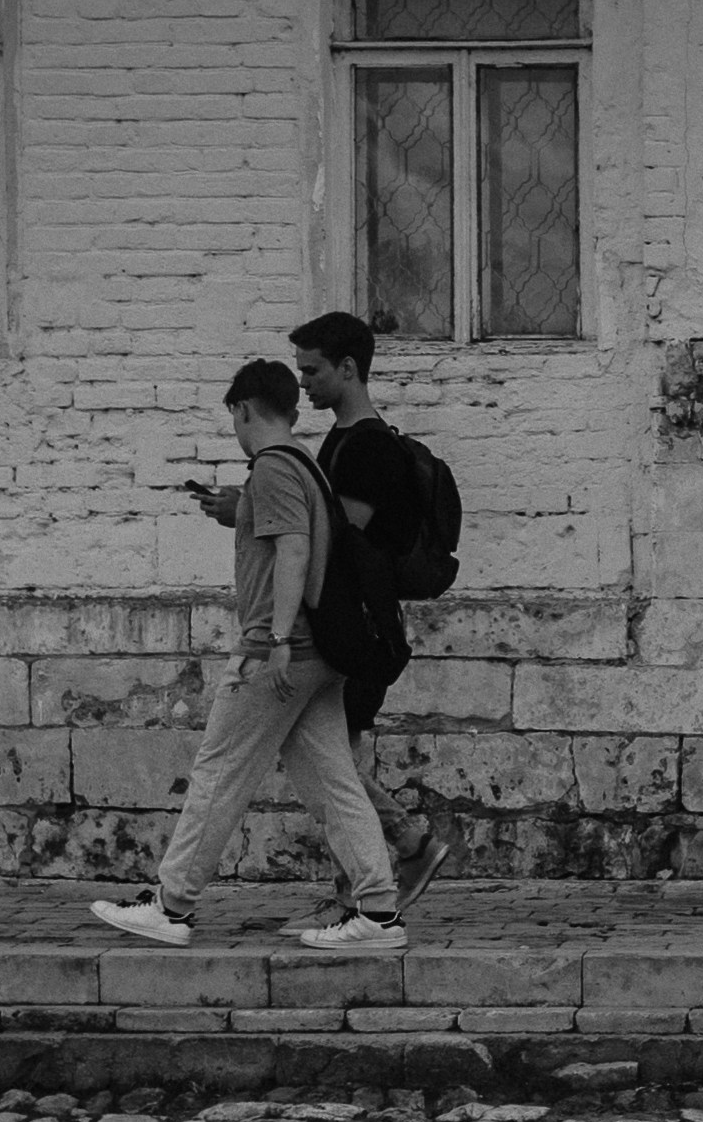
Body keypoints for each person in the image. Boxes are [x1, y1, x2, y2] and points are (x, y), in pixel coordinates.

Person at [91, 360, 407, 954]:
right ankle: (380, 914)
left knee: (219, 770)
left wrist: (273, 640)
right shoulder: (305, 464)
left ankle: (172, 904)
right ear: (290, 406)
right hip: (318, 655)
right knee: (334, 782)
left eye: (233, 417)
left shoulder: (273, 469)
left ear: (242, 410)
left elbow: (292, 551)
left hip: (281, 654)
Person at [287, 308, 459, 907]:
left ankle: (400, 854)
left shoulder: (368, 451)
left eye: (311, 370)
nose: (302, 382)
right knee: (336, 762)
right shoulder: (343, 440)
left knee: (336, 766)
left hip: (361, 631)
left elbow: (340, 545)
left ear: (349, 368)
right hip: (351, 625)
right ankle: (364, 884)